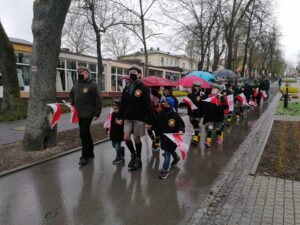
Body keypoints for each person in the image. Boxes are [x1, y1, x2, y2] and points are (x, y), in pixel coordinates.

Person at [120, 66, 153, 171]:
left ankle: (138, 159)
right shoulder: (127, 87)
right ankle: (133, 154)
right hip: (128, 117)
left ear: (139, 74)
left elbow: (148, 105)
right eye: (130, 72)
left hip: (139, 118)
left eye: (134, 72)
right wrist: (120, 116)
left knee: (136, 139)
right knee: (126, 137)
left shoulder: (143, 88)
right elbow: (123, 103)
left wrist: (149, 121)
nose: (131, 74)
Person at [70, 66, 102, 166]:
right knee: (85, 133)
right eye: (78, 72)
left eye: (81, 72)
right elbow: (71, 94)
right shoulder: (76, 84)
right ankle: (90, 152)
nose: (79, 73)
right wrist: (72, 103)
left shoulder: (92, 85)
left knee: (83, 133)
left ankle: (84, 156)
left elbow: (98, 100)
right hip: (78, 113)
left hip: (88, 113)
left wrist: (97, 113)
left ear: (87, 73)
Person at [155, 97, 185, 179]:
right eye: (164, 103)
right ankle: (176, 157)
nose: (165, 105)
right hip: (163, 137)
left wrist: (181, 130)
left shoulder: (175, 115)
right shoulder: (161, 113)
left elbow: (181, 125)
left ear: (171, 105)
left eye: (167, 104)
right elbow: (157, 124)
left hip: (172, 138)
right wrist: (151, 126)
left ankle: (165, 170)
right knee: (170, 150)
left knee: (167, 153)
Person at [185, 81, 206, 145]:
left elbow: (204, 104)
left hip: (198, 113)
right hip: (191, 113)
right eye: (194, 86)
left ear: (200, 87)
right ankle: (197, 133)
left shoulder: (202, 94)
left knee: (196, 125)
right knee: (193, 124)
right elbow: (187, 103)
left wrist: (202, 113)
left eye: (197, 86)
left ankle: (195, 139)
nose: (195, 87)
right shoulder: (190, 94)